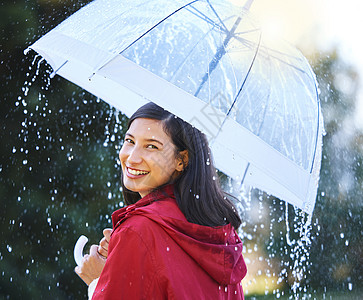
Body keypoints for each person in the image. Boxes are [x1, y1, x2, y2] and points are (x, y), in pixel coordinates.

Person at [75, 102, 247, 299]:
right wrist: (124, 260)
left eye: (151, 146)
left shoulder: (140, 230)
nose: (132, 158)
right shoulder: (219, 236)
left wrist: (99, 280)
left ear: (181, 160)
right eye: (130, 141)